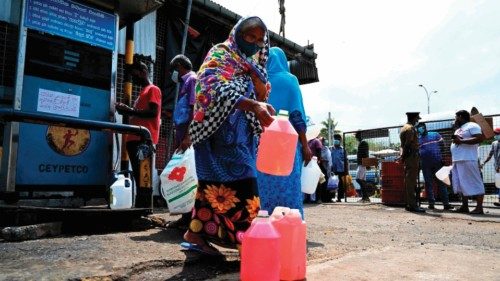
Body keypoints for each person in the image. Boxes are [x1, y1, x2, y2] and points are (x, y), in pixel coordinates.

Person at [183, 16, 275, 255]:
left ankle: (195, 234)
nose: (255, 43)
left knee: (213, 189)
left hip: (241, 138)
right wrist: (252, 105)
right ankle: (251, 245)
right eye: (249, 37)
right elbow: (210, 87)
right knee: (245, 184)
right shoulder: (221, 54)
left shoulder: (255, 66)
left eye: (259, 40)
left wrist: (258, 92)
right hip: (216, 134)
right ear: (237, 34)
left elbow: (262, 96)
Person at [256, 47, 312, 218]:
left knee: (265, 183)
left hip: (263, 140)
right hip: (287, 141)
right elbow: (297, 115)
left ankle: (264, 222)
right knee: (288, 182)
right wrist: (305, 145)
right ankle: (290, 221)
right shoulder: (290, 80)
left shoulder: (260, 80)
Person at [116, 61, 162, 186]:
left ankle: (144, 204)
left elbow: (153, 112)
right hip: (135, 139)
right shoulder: (143, 92)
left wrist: (130, 110)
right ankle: (141, 203)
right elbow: (139, 113)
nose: (133, 79)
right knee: (140, 177)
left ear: (143, 72)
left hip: (143, 140)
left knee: (143, 178)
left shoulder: (153, 89)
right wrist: (126, 110)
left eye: (135, 75)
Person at [166, 55, 197, 230]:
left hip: (187, 136)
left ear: (179, 66)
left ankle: (189, 218)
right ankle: (186, 217)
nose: (173, 75)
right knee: (184, 175)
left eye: (174, 70)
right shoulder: (187, 82)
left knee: (188, 176)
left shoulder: (192, 80)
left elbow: (195, 108)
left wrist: (188, 136)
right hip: (182, 134)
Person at [451, 110, 485, 214]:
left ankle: (479, 208)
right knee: (461, 184)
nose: (455, 119)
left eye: (456, 117)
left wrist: (461, 141)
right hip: (458, 160)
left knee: (475, 182)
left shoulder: (472, 125)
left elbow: (480, 138)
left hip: (468, 159)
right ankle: (464, 206)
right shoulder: (459, 129)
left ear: (460, 116)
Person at [416, 123, 453, 210]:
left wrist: (443, 157)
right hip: (425, 164)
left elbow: (443, 146)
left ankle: (446, 204)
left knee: (441, 183)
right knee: (428, 184)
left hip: (438, 162)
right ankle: (431, 203)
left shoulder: (435, 134)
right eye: (418, 128)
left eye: (421, 127)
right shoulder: (418, 140)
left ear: (425, 127)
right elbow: (417, 152)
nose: (420, 129)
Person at [399, 112, 426, 213]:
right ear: (414, 118)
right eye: (417, 119)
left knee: (408, 181)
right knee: (411, 181)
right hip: (412, 156)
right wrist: (404, 156)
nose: (417, 121)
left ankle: (409, 203)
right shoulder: (410, 128)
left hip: (409, 157)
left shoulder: (403, 128)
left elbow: (403, 145)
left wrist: (403, 156)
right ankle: (413, 205)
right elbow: (407, 144)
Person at [480, 127, 500, 206]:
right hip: (497, 167)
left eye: (497, 134)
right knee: (498, 184)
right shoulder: (494, 143)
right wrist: (484, 162)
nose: (496, 135)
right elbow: (490, 154)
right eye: (495, 134)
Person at [331, 133, 348, 202]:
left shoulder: (343, 150)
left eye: (338, 139)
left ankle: (339, 198)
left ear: (340, 140)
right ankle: (331, 197)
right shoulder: (330, 149)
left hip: (341, 169)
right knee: (332, 183)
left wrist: (346, 170)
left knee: (341, 185)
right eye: (335, 139)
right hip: (333, 169)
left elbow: (346, 160)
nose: (336, 140)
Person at [355, 131, 371, 203]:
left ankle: (366, 197)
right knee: (362, 180)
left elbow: (365, 154)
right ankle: (365, 197)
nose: (356, 137)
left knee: (358, 179)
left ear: (360, 135)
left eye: (357, 135)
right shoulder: (362, 142)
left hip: (362, 164)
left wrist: (367, 164)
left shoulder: (363, 143)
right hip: (362, 164)